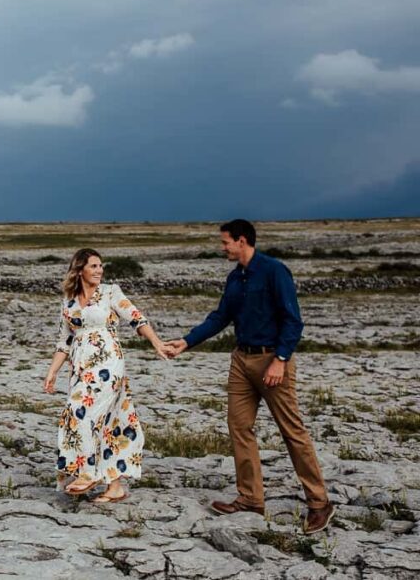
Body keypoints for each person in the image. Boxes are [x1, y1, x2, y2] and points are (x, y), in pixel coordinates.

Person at [163, 219, 335, 534]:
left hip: (272, 359)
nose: (222, 247)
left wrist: (280, 359)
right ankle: (250, 498)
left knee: (292, 431)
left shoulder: (273, 271)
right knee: (239, 428)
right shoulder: (235, 278)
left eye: (225, 242)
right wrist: (187, 341)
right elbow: (220, 317)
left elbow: (293, 321)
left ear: (242, 241)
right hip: (241, 360)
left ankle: (320, 503)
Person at [43, 248, 170, 502]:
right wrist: (52, 372)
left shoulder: (110, 292)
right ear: (80, 270)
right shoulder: (68, 302)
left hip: (107, 365)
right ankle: (115, 486)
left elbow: (136, 318)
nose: (99, 270)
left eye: (101, 266)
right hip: (80, 367)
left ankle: (88, 472)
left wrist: (156, 343)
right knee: (111, 420)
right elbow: (64, 341)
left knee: (80, 412)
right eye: (93, 266)